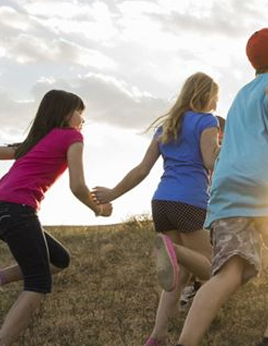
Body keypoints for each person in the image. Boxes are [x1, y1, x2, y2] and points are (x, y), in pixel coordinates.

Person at [173, 28, 268, 346]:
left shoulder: (240, 97)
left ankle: (186, 342)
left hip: (227, 187)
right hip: (267, 184)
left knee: (229, 271)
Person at [0, 90, 112, 346]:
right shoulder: (73, 136)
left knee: (59, 259)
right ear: (64, 112)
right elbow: (78, 186)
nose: (83, 119)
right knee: (38, 282)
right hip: (17, 210)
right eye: (79, 111)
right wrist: (99, 208)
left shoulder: (35, 141)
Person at [92, 72, 220, 346]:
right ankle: (172, 250)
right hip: (190, 200)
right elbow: (210, 161)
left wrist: (112, 193)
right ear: (206, 95)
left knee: (179, 273)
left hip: (162, 202)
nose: (216, 103)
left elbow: (142, 170)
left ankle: (157, 337)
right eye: (215, 97)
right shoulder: (207, 121)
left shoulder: (167, 126)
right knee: (213, 270)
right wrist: (227, 147)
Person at [179, 115, 226, 313]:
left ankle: (194, 291)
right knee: (207, 255)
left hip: (207, 206)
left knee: (201, 253)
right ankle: (198, 294)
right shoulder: (213, 153)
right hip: (206, 208)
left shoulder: (205, 150)